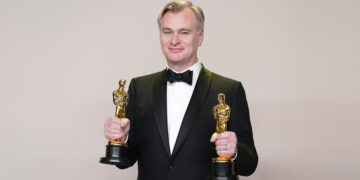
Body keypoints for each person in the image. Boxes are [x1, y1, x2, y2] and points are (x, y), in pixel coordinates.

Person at [103, 1, 258, 179]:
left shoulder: (230, 90)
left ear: (200, 36)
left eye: (184, 32)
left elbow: (250, 164)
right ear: (160, 35)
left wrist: (235, 151)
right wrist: (121, 140)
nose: (174, 40)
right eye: (167, 31)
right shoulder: (139, 87)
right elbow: (126, 161)